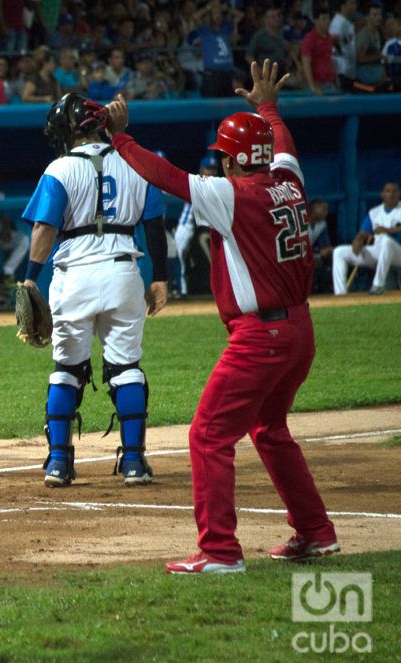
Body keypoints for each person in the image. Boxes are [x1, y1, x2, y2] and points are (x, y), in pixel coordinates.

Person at [106, 60, 339, 573]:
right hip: (299, 329)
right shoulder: (287, 181)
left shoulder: (231, 194)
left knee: (208, 435)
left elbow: (164, 176)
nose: (219, 166)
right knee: (269, 429)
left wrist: (120, 139)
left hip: (262, 337)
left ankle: (219, 551)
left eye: (223, 158)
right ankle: (317, 532)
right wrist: (269, 107)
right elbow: (283, 145)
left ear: (232, 160)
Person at [20, 93, 168, 489]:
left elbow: (44, 229)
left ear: (69, 131)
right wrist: (161, 279)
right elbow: (154, 224)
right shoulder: (136, 161)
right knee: (126, 367)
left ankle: (58, 463)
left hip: (74, 277)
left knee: (67, 369)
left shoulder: (60, 167)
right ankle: (134, 463)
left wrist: (31, 276)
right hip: (124, 272)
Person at [331, 182, 401, 294]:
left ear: (399, 194)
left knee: (387, 241)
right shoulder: (374, 212)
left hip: (398, 252)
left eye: (394, 191)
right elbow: (362, 234)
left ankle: (378, 285)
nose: (391, 194)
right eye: (388, 191)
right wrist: (357, 241)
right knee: (339, 251)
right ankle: (340, 293)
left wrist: (386, 230)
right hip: (380, 252)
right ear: (382, 194)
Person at [172, 155, 220, 296]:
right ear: (201, 170)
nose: (211, 172)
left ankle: (185, 290)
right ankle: (181, 291)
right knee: (180, 258)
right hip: (185, 227)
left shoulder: (215, 185)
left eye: (213, 169)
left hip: (197, 226)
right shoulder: (198, 182)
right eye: (208, 169)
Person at [301, 5, 338, 95]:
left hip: (329, 83)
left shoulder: (329, 37)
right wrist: (312, 86)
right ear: (316, 21)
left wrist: (336, 80)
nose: (327, 22)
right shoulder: (309, 39)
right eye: (324, 19)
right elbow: (306, 63)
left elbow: (330, 59)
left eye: (328, 19)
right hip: (317, 84)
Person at [330, 0, 357, 91]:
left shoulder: (346, 21)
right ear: (343, 5)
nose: (354, 5)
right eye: (352, 3)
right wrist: (341, 52)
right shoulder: (338, 21)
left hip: (348, 69)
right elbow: (333, 39)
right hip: (341, 68)